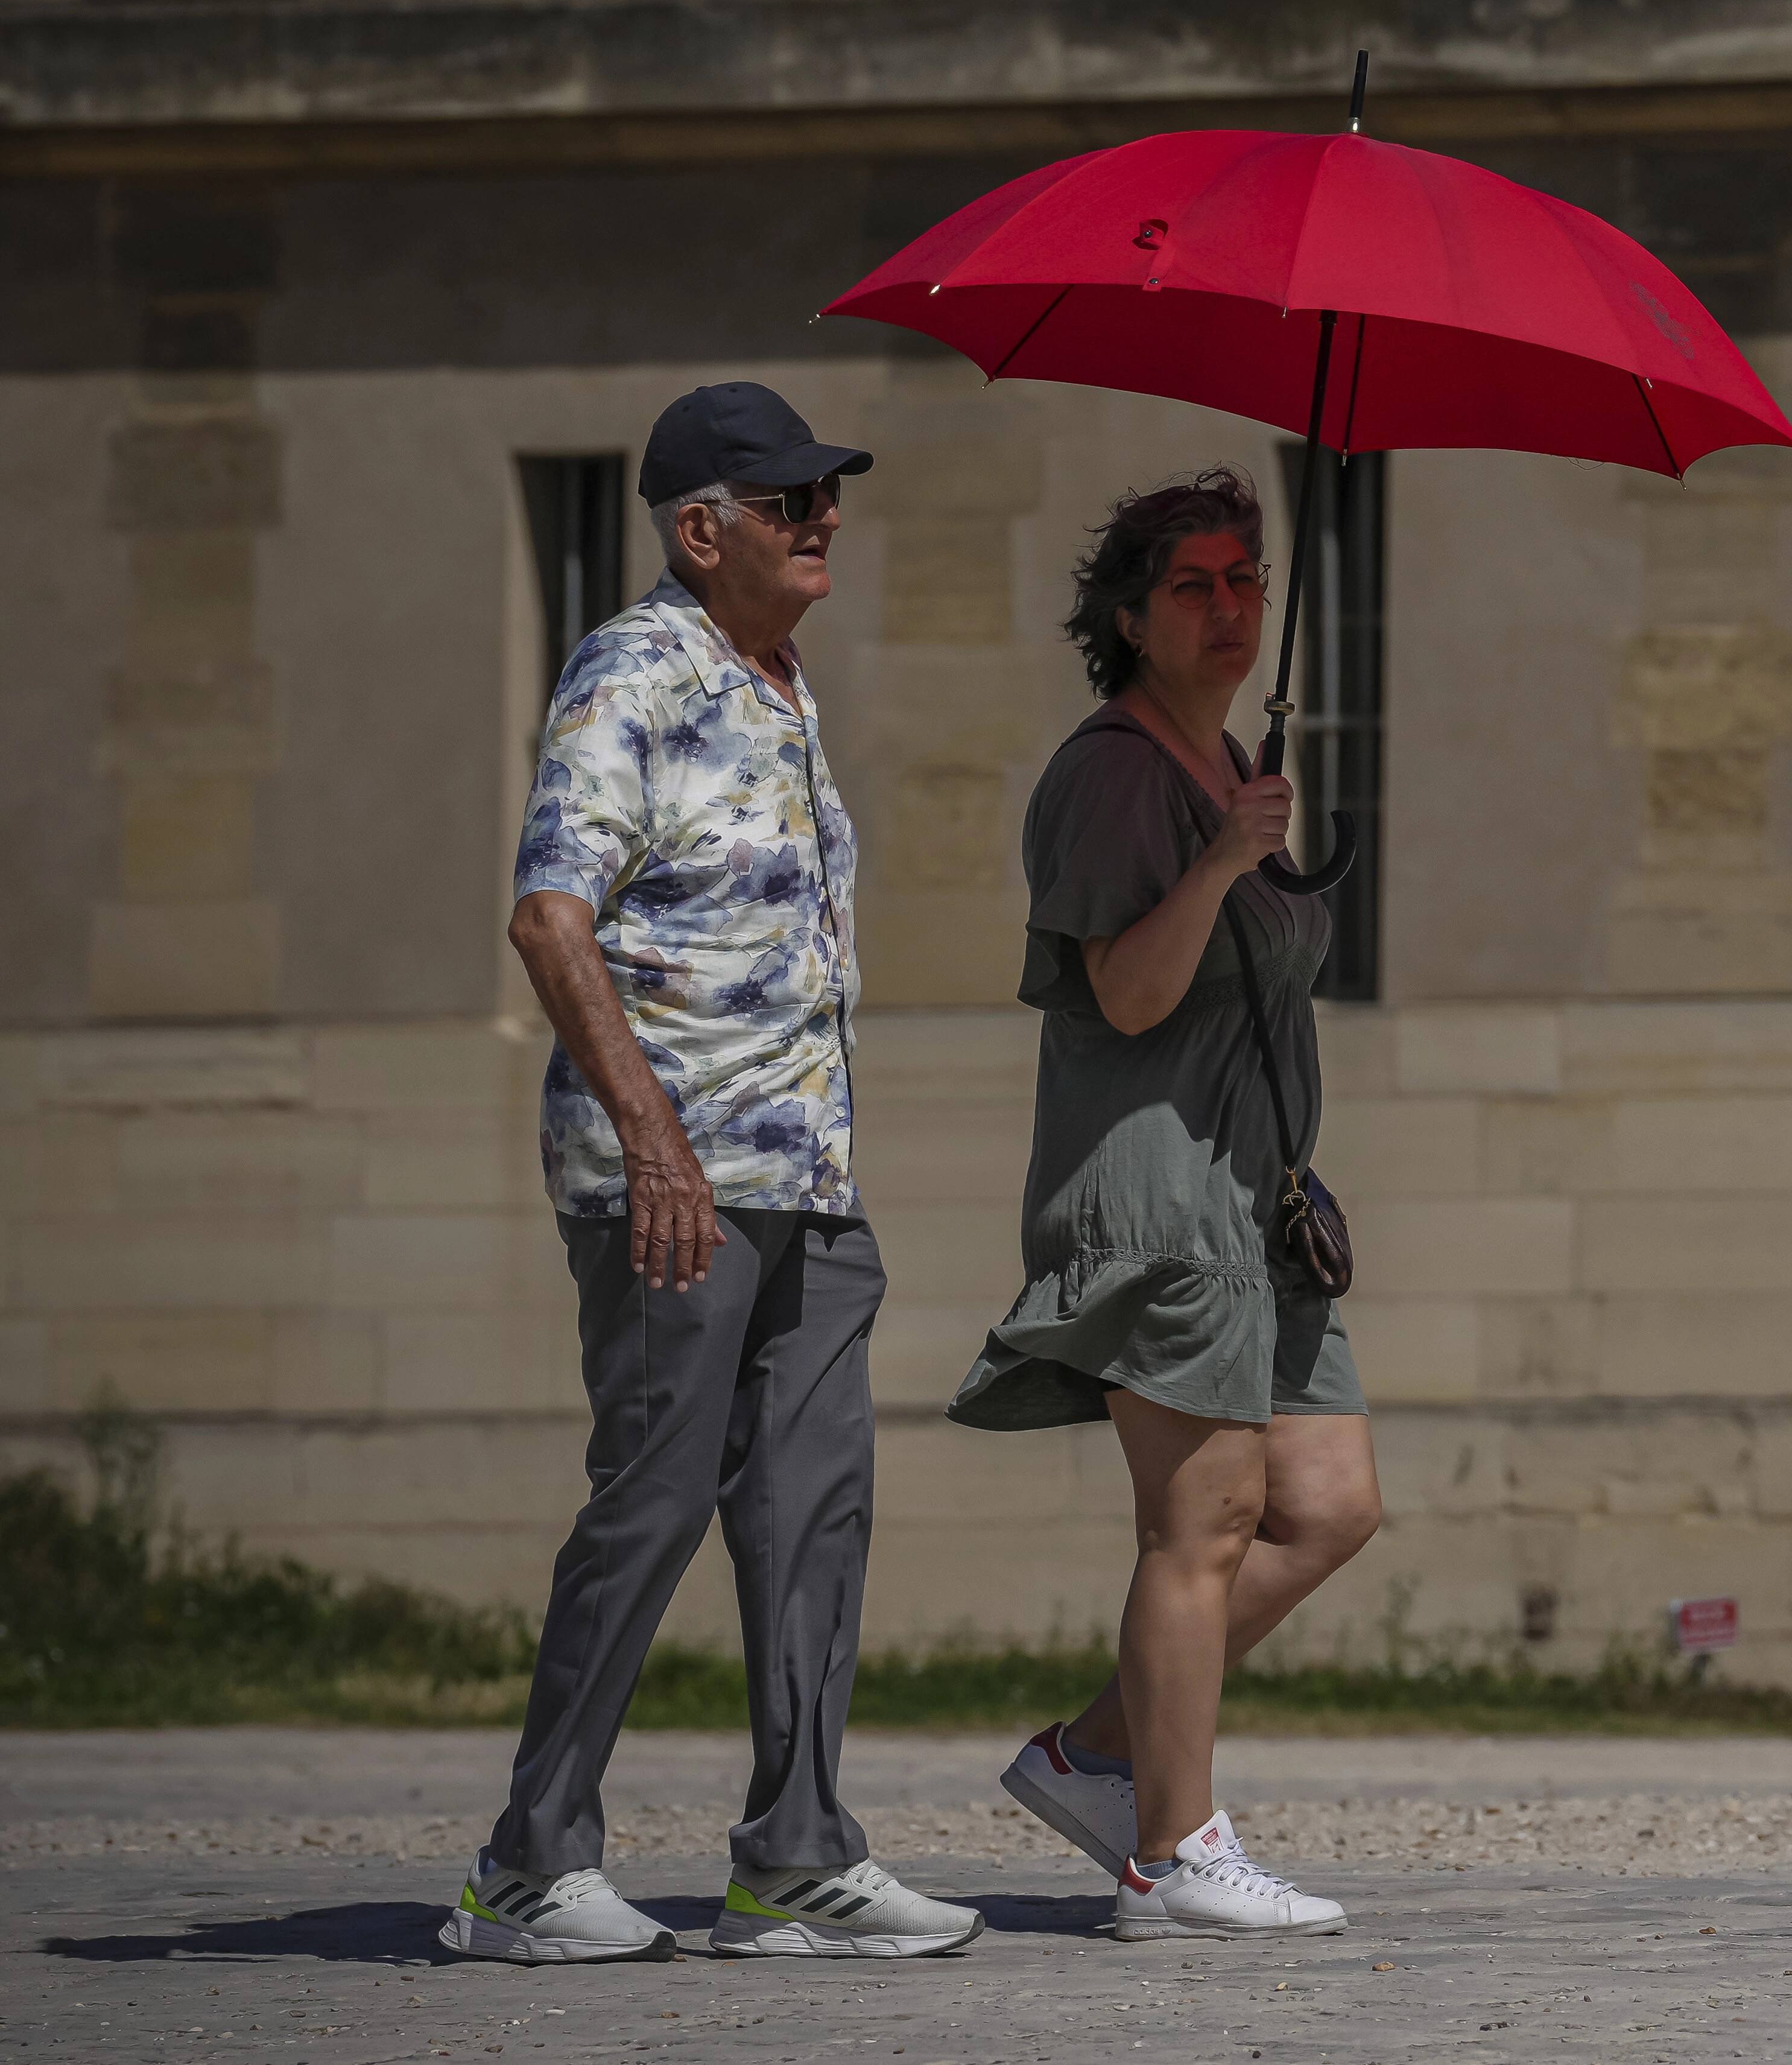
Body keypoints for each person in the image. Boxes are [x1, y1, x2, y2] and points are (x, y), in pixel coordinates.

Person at [444, 383, 983, 1965]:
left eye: (829, 494)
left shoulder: (779, 682)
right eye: (792, 499)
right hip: (674, 1183)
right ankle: (525, 1867)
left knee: (813, 1512)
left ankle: (795, 1857)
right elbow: (550, 915)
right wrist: (653, 1140)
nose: (826, 519)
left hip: (806, 1175)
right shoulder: (636, 671)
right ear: (701, 528)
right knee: (657, 1497)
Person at [951, 468, 1378, 1941]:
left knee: (1327, 1505)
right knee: (1201, 1518)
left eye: (1246, 579)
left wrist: (1243, 831)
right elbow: (1128, 993)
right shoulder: (1115, 775)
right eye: (1193, 583)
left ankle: (1095, 1754)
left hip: (1260, 1199)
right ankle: (1170, 1855)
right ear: (1129, 616)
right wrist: (1223, 857)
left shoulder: (1228, 761)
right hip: (1160, 1190)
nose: (1230, 606)